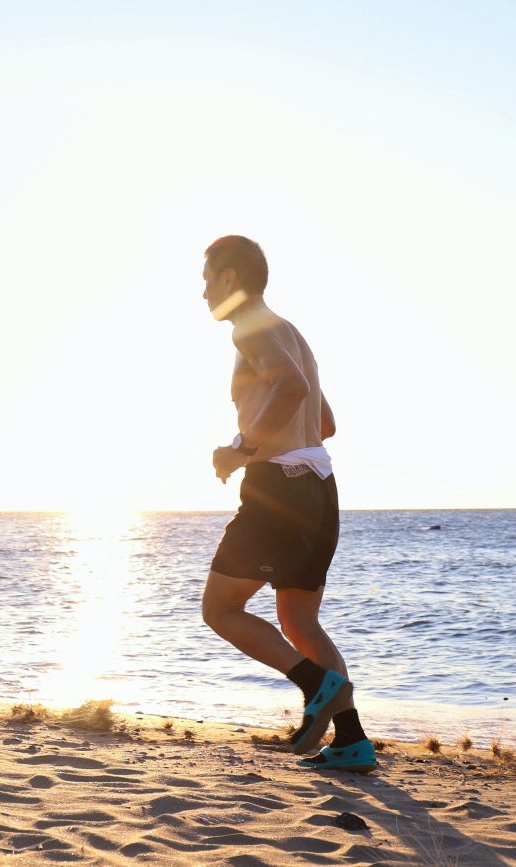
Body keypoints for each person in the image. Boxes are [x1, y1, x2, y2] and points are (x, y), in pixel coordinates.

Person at [199, 235, 376, 773]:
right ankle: (350, 741)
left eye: (207, 278)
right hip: (319, 487)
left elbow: (293, 388)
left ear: (231, 278)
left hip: (278, 487)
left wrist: (240, 448)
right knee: (301, 622)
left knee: (220, 609)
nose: (203, 291)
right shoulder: (291, 331)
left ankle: (315, 685)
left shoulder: (249, 326)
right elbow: (325, 424)